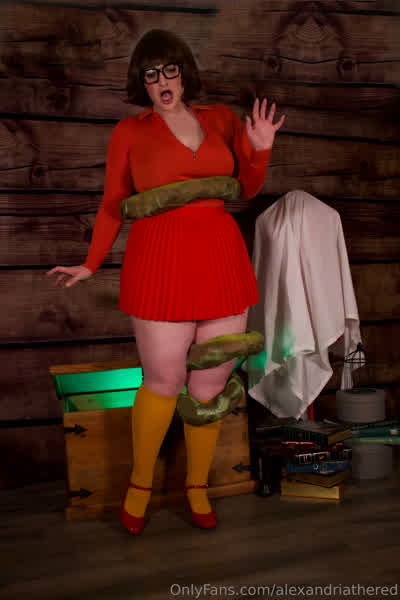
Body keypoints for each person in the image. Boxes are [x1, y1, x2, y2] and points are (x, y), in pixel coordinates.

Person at [45, 29, 285, 535]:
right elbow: (112, 202)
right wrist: (91, 263)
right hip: (160, 260)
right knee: (163, 380)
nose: (162, 82)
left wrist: (261, 148)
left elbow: (247, 187)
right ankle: (139, 486)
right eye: (151, 75)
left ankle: (197, 488)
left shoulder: (221, 119)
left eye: (169, 70)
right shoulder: (129, 131)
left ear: (183, 73)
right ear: (142, 82)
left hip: (221, 259)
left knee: (210, 382)